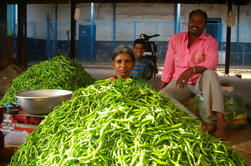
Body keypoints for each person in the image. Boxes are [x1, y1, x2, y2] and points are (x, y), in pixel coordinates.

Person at [159, 9, 225, 140]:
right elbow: (168, 66)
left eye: (200, 22)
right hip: (180, 83)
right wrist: (161, 88)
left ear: (205, 25)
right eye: (193, 21)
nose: (195, 24)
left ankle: (220, 123)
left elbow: (211, 63)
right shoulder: (175, 39)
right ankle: (198, 123)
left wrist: (191, 70)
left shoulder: (210, 41)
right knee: (161, 97)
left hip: (200, 81)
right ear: (188, 23)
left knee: (211, 74)